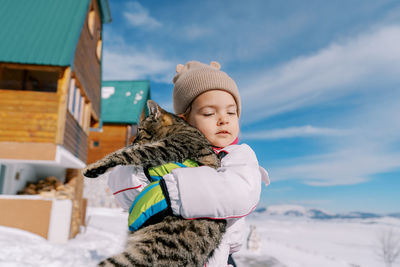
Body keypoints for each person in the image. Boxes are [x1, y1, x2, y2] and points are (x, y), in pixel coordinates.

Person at [107, 61, 270, 266]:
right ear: (184, 121)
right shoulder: (171, 152)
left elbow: (240, 192)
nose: (223, 120)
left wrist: (169, 190)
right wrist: (145, 172)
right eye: (210, 113)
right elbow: (121, 188)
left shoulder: (237, 156)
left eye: (231, 112)